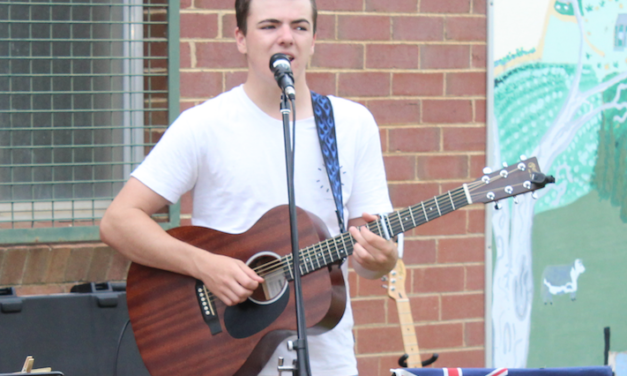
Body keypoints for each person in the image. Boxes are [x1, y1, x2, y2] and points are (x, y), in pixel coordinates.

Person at [99, 0, 398, 374]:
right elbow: (118, 221)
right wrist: (207, 266)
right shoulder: (204, 125)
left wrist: (382, 259)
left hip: (327, 360)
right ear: (240, 38)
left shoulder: (352, 125)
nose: (286, 38)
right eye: (270, 25)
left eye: (300, 27)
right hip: (224, 355)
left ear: (314, 39)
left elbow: (367, 257)